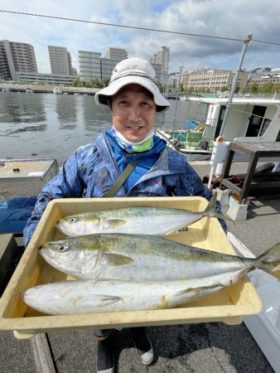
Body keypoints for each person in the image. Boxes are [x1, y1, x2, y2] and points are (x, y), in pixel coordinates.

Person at [23, 57, 224, 373]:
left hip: (150, 260)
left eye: (145, 104)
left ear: (156, 109)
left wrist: (221, 241)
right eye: (124, 103)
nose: (134, 115)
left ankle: (139, 329)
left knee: (140, 301)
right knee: (100, 308)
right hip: (95, 257)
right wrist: (33, 240)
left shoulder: (175, 164)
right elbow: (50, 197)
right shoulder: (86, 157)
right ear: (110, 107)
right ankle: (105, 341)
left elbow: (206, 204)